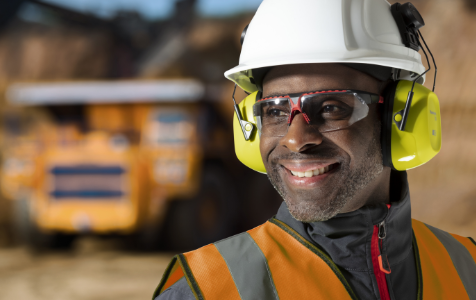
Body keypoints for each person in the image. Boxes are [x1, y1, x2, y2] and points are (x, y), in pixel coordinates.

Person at [153, 1, 476, 299]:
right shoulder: (208, 289)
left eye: (333, 107)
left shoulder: (467, 267)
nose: (295, 139)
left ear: (400, 117)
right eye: (276, 111)